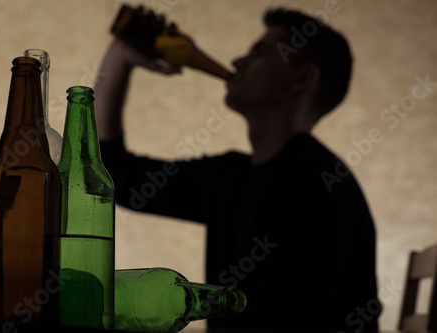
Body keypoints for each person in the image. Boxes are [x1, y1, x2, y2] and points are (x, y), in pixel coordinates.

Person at [95, 7, 381, 331]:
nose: (236, 63)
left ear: (302, 78)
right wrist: (120, 56)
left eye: (259, 53)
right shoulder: (230, 177)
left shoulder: (320, 188)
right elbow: (117, 177)